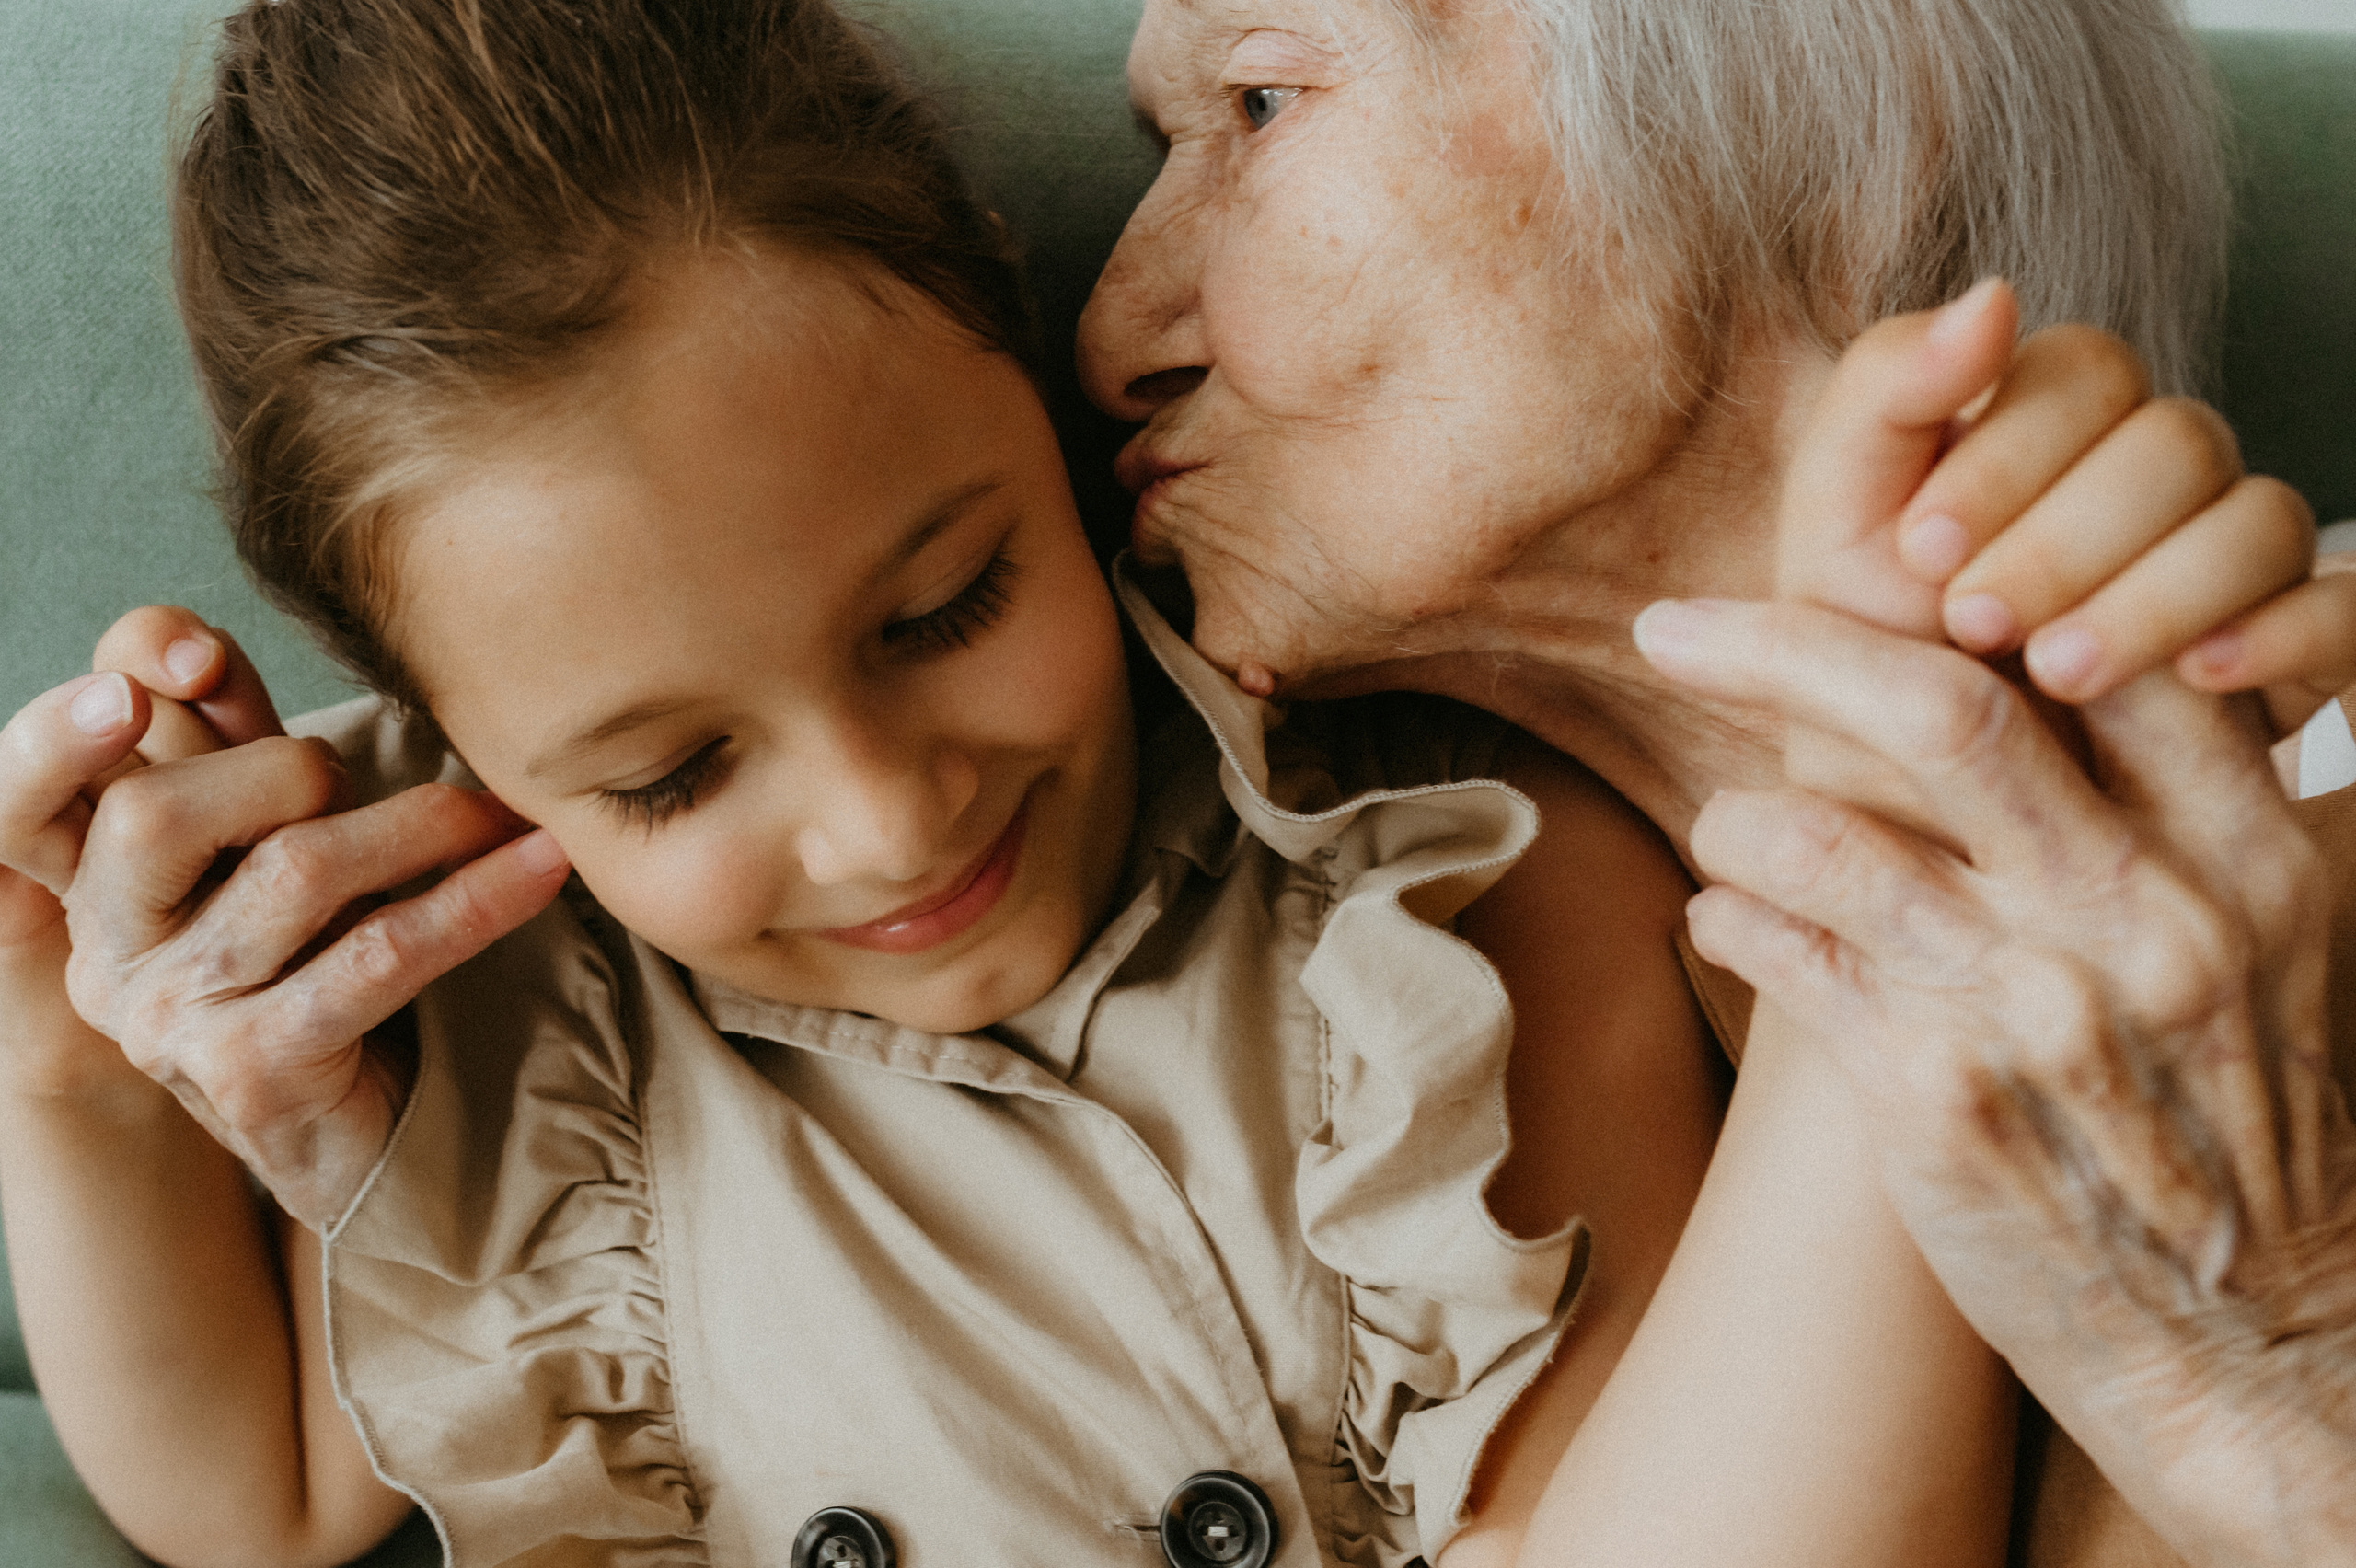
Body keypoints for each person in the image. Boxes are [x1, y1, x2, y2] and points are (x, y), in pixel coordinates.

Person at [0, 7, 2341, 1568]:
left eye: (1258, 102)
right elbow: (257, 1478)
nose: (1110, 326)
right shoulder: (559, 1007)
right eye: (669, 765)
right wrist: (84, 1069)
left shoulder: (1447, 902)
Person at [1068, 0, 2356, 1562]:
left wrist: (2280, 1359)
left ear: (1849, 137)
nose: (1114, 334)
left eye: (1264, 102)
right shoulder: (1408, 1039)